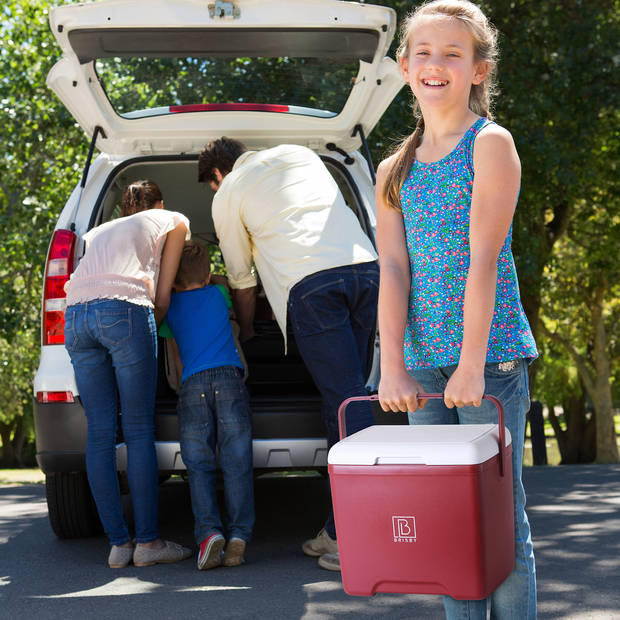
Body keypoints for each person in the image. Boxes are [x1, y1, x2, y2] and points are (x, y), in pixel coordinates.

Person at [375, 1, 538, 618]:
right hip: (423, 369)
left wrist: (471, 364)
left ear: (478, 70)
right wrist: (394, 368)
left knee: (498, 521)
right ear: (403, 66)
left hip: (487, 364)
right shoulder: (393, 169)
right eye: (424, 53)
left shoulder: (489, 144)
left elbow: (483, 260)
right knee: (446, 524)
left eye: (453, 54)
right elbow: (392, 270)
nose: (435, 65)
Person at [198, 138, 380, 571]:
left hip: (313, 287)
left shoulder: (228, 193)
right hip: (366, 271)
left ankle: (359, 535)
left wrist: (244, 330)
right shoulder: (299, 153)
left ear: (216, 175)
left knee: (348, 402)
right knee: (344, 398)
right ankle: (335, 529)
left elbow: (241, 281)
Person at [64, 180, 192, 568]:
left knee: (100, 432)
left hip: (75, 315)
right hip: (123, 308)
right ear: (161, 201)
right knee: (137, 428)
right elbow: (163, 296)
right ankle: (149, 544)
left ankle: (119, 545)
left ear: (124, 208)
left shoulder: (96, 232)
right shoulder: (172, 219)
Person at [161, 241, 254, 570]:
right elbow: (224, 286)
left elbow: (176, 360)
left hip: (193, 385)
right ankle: (240, 534)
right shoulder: (219, 295)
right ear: (208, 273)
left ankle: (208, 533)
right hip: (229, 380)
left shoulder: (169, 307)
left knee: (199, 466)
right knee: (237, 461)